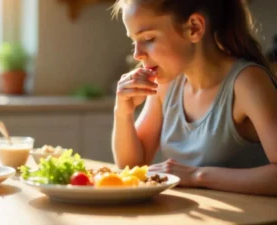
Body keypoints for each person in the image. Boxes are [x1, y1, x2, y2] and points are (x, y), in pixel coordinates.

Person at [110, 0, 277, 196]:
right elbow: (132, 166)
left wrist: (198, 175)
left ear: (194, 28)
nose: (137, 54)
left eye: (148, 38)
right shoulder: (167, 84)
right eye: (133, 41)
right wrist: (123, 112)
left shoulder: (247, 83)